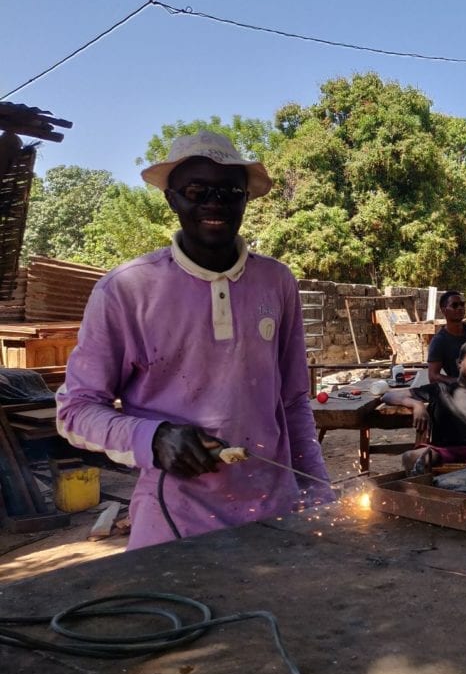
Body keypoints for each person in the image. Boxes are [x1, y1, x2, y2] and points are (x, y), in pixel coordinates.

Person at [56, 131, 334, 549]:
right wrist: (153, 438)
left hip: (274, 514)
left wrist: (318, 493)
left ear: (246, 200)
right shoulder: (126, 290)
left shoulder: (276, 282)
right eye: (196, 190)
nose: (214, 202)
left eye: (229, 191)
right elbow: (74, 412)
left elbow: (294, 401)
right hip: (174, 525)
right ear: (172, 200)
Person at [383, 340, 466, 473]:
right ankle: (422, 492)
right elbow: (388, 396)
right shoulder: (440, 389)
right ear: (459, 363)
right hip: (442, 451)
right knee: (410, 457)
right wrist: (416, 404)